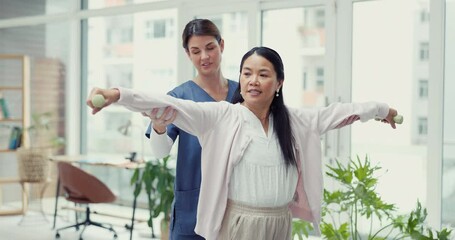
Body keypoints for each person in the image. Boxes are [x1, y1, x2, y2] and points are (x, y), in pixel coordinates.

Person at [87, 46, 399, 240]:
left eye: (263, 74)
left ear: (278, 84)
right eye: (247, 73)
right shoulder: (222, 117)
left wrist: (382, 110)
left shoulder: (296, 120)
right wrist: (118, 95)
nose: (252, 80)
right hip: (237, 225)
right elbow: (169, 104)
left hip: (279, 223)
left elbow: (342, 112)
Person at [143, 19, 238, 240]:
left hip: (235, 201)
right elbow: (160, 152)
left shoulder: (241, 93)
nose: (204, 57)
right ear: (188, 54)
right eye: (196, 51)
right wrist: (158, 125)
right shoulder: (179, 97)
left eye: (210, 48)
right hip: (193, 204)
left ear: (221, 45)